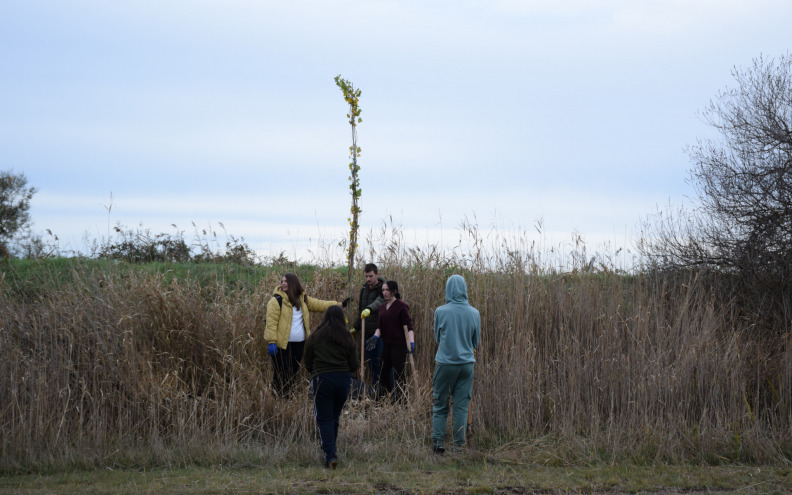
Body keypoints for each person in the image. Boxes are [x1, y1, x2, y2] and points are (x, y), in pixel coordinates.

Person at [264, 273, 342, 397]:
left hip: (299, 343)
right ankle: (277, 398)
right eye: (282, 281)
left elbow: (319, 304)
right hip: (281, 345)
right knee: (280, 372)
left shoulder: (302, 299)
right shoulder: (276, 301)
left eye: (286, 281)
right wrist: (272, 341)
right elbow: (271, 322)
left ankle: (287, 396)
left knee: (293, 371)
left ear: (293, 283)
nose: (283, 283)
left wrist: (337, 305)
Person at [304, 305, 360, 469]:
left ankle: (330, 455)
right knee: (334, 417)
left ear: (325, 318)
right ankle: (331, 450)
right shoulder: (347, 337)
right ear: (342, 319)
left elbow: (307, 361)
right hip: (343, 380)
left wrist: (315, 372)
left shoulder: (316, 336)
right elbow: (354, 365)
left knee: (324, 418)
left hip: (322, 379)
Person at [431, 274, 481, 454]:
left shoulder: (440, 311)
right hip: (467, 364)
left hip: (445, 363)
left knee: (440, 404)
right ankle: (458, 446)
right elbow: (475, 342)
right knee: (461, 406)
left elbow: (437, 337)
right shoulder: (474, 313)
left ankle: (438, 444)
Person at [366, 280, 414, 402]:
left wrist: (411, 343)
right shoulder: (382, 307)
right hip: (386, 345)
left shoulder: (401, 306)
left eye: (387, 290)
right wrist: (375, 337)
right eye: (383, 290)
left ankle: (401, 400)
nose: (385, 292)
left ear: (394, 291)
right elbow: (379, 328)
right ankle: (385, 398)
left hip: (399, 345)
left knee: (398, 374)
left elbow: (409, 327)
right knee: (383, 372)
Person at [353, 263, 385, 388]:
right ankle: (374, 388)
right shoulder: (364, 289)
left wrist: (370, 309)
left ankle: (382, 389)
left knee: (380, 362)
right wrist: (356, 327)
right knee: (371, 363)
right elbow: (361, 310)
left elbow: (380, 301)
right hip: (367, 333)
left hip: (380, 333)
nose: (368, 279)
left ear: (377, 274)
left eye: (371, 276)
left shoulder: (383, 288)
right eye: (366, 276)